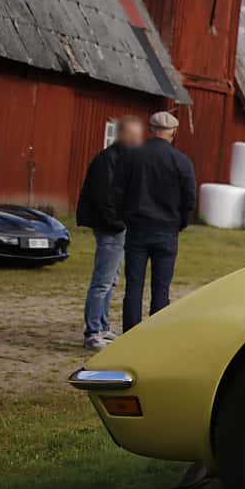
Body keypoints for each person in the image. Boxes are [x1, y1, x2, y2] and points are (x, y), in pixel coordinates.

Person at [115, 109, 196, 330]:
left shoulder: (131, 156)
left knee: (134, 285)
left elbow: (118, 190)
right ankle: (155, 334)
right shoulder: (181, 161)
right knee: (161, 288)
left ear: (151, 130)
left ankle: (130, 331)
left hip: (137, 227)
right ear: (174, 132)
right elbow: (189, 197)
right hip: (167, 229)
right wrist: (181, 222)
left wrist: (125, 217)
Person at [74, 114, 145, 350]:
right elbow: (103, 197)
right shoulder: (108, 160)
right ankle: (93, 331)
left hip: (120, 227)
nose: (137, 140)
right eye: (133, 135)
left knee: (112, 280)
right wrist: (117, 223)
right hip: (110, 228)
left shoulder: (123, 159)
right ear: (123, 134)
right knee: (102, 281)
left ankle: (103, 326)